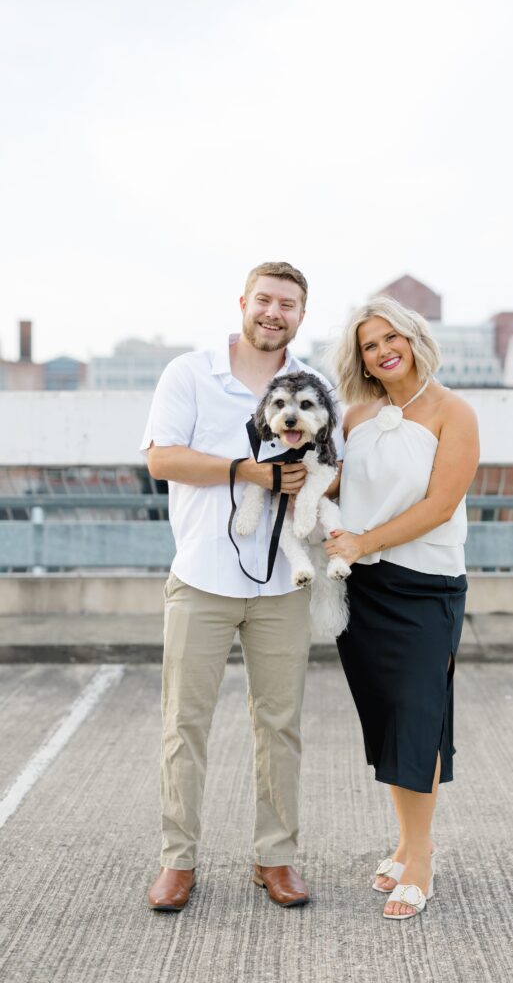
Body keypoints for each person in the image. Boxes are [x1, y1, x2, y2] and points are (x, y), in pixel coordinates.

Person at [140, 261, 343, 911]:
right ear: (243, 303)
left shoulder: (313, 382)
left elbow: (335, 467)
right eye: (264, 299)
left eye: (287, 304)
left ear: (300, 316)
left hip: (285, 580)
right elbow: (160, 458)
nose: (273, 312)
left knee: (279, 726)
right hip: (200, 577)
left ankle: (275, 859)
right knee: (184, 725)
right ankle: (178, 862)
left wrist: (313, 483)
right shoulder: (190, 373)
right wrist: (250, 472)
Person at [324, 296, 479, 921]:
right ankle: (406, 842)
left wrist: (364, 540)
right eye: (369, 344)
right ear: (359, 358)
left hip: (426, 586)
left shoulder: (454, 411)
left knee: (419, 719)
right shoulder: (354, 415)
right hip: (361, 588)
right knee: (389, 720)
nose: (383, 349)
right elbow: (333, 482)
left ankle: (421, 859)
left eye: (392, 336)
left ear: (414, 338)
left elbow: (440, 505)